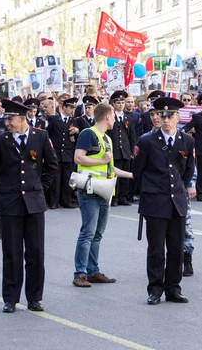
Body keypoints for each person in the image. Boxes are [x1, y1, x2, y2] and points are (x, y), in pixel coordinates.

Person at [0, 99, 58, 313]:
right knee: (12, 253)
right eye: (5, 119)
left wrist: (40, 186)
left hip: (34, 203)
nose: (6, 123)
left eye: (10, 119)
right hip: (10, 204)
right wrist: (6, 191)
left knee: (36, 252)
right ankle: (10, 298)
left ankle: (34, 298)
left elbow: (52, 166)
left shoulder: (40, 136)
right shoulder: (0, 141)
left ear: (21, 118)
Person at [133, 97, 195, 305]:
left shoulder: (187, 141)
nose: (165, 120)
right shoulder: (146, 141)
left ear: (177, 118)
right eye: (162, 116)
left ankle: (173, 288)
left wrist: (179, 190)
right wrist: (151, 191)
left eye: (170, 116)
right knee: (156, 249)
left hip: (176, 202)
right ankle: (155, 289)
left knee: (176, 248)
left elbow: (187, 171)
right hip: (155, 201)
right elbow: (138, 171)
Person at [72, 103, 133, 288]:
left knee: (97, 234)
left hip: (105, 190)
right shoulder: (88, 134)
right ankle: (80, 273)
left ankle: (93, 271)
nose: (115, 119)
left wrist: (132, 175)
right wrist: (102, 160)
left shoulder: (107, 138)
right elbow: (78, 158)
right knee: (88, 233)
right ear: (107, 116)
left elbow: (109, 167)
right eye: (113, 115)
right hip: (90, 189)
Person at [47, 97, 79, 209]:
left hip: (68, 153)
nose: (71, 110)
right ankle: (53, 201)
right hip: (56, 152)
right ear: (64, 107)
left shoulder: (74, 121)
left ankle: (66, 200)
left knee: (67, 178)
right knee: (55, 178)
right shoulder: (54, 119)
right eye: (70, 107)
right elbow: (48, 135)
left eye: (73, 108)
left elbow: (77, 137)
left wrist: (76, 131)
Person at [107, 91, 136, 206]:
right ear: (114, 104)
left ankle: (123, 197)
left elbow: (132, 136)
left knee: (125, 175)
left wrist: (132, 150)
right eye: (118, 103)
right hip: (115, 151)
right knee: (115, 175)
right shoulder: (111, 118)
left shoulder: (128, 119)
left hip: (125, 151)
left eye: (122, 102)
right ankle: (114, 197)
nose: (121, 105)